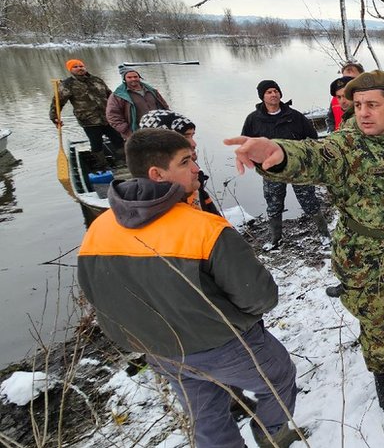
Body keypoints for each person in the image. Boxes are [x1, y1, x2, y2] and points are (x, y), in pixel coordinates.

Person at [226, 70, 384, 414]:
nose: (362, 112)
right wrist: (278, 153)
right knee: (374, 322)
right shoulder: (346, 144)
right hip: (363, 254)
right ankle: (383, 375)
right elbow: (314, 156)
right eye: (359, 104)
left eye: (372, 105)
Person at [77, 129, 304, 448]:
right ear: (157, 173)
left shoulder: (99, 227)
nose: (197, 168)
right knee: (278, 377)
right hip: (224, 345)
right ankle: (273, 434)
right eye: (186, 162)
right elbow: (260, 297)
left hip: (160, 350)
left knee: (206, 414)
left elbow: (98, 294)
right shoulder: (203, 228)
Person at [241, 80, 329, 249]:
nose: (273, 94)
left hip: (298, 169)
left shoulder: (294, 116)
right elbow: (247, 143)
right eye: (269, 92)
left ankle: (325, 235)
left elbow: (312, 138)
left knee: (309, 201)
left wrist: (309, 160)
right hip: (272, 170)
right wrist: (256, 163)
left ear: (280, 94)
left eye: (276, 91)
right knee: (274, 204)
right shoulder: (254, 119)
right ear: (262, 97)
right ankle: (275, 239)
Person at [139, 109, 221, 215]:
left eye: (192, 136)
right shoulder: (161, 200)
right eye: (185, 137)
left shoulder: (192, 177)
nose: (194, 143)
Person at [50, 59, 125, 170]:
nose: (80, 68)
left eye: (81, 66)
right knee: (96, 143)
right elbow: (58, 102)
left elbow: (110, 96)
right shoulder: (67, 84)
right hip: (89, 120)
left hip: (107, 117)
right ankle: (102, 165)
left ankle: (123, 160)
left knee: (118, 138)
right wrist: (55, 117)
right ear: (70, 70)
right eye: (75, 67)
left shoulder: (96, 80)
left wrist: (120, 109)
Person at [106, 66, 170, 139]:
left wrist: (168, 120)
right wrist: (125, 129)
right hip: (136, 132)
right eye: (129, 77)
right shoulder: (117, 95)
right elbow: (112, 115)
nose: (133, 79)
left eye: (135, 76)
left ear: (139, 77)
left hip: (158, 128)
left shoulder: (152, 91)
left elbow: (164, 106)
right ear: (124, 79)